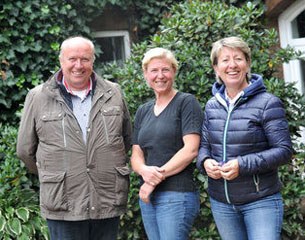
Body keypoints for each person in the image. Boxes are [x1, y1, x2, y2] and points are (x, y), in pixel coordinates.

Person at [16, 36, 132, 240]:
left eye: (85, 59)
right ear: (61, 61)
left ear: (93, 61)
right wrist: (55, 173)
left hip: (106, 199)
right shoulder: (38, 97)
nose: (79, 65)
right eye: (72, 59)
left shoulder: (113, 92)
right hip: (63, 203)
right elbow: (25, 151)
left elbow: (126, 139)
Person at [196, 36, 293, 240]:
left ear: (247, 64)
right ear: (216, 68)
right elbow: (204, 146)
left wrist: (242, 164)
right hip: (222, 202)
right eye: (225, 60)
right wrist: (205, 162)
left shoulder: (268, 103)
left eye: (238, 58)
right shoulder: (212, 105)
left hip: (261, 201)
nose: (232, 65)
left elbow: (284, 150)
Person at [131, 47, 204, 240]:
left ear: (174, 72)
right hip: (148, 196)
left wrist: (154, 178)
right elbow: (136, 154)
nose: (160, 76)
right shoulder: (143, 110)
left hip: (176, 195)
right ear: (146, 74)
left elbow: (191, 149)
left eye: (165, 70)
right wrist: (144, 172)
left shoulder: (186, 103)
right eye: (154, 70)